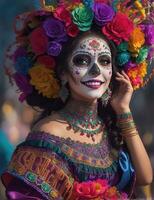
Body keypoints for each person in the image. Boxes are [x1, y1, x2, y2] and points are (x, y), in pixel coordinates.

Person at [1, 0, 153, 199]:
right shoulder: (49, 133)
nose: (96, 70)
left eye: (104, 61)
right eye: (82, 60)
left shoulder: (111, 126)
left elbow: (145, 177)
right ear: (63, 73)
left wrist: (123, 109)